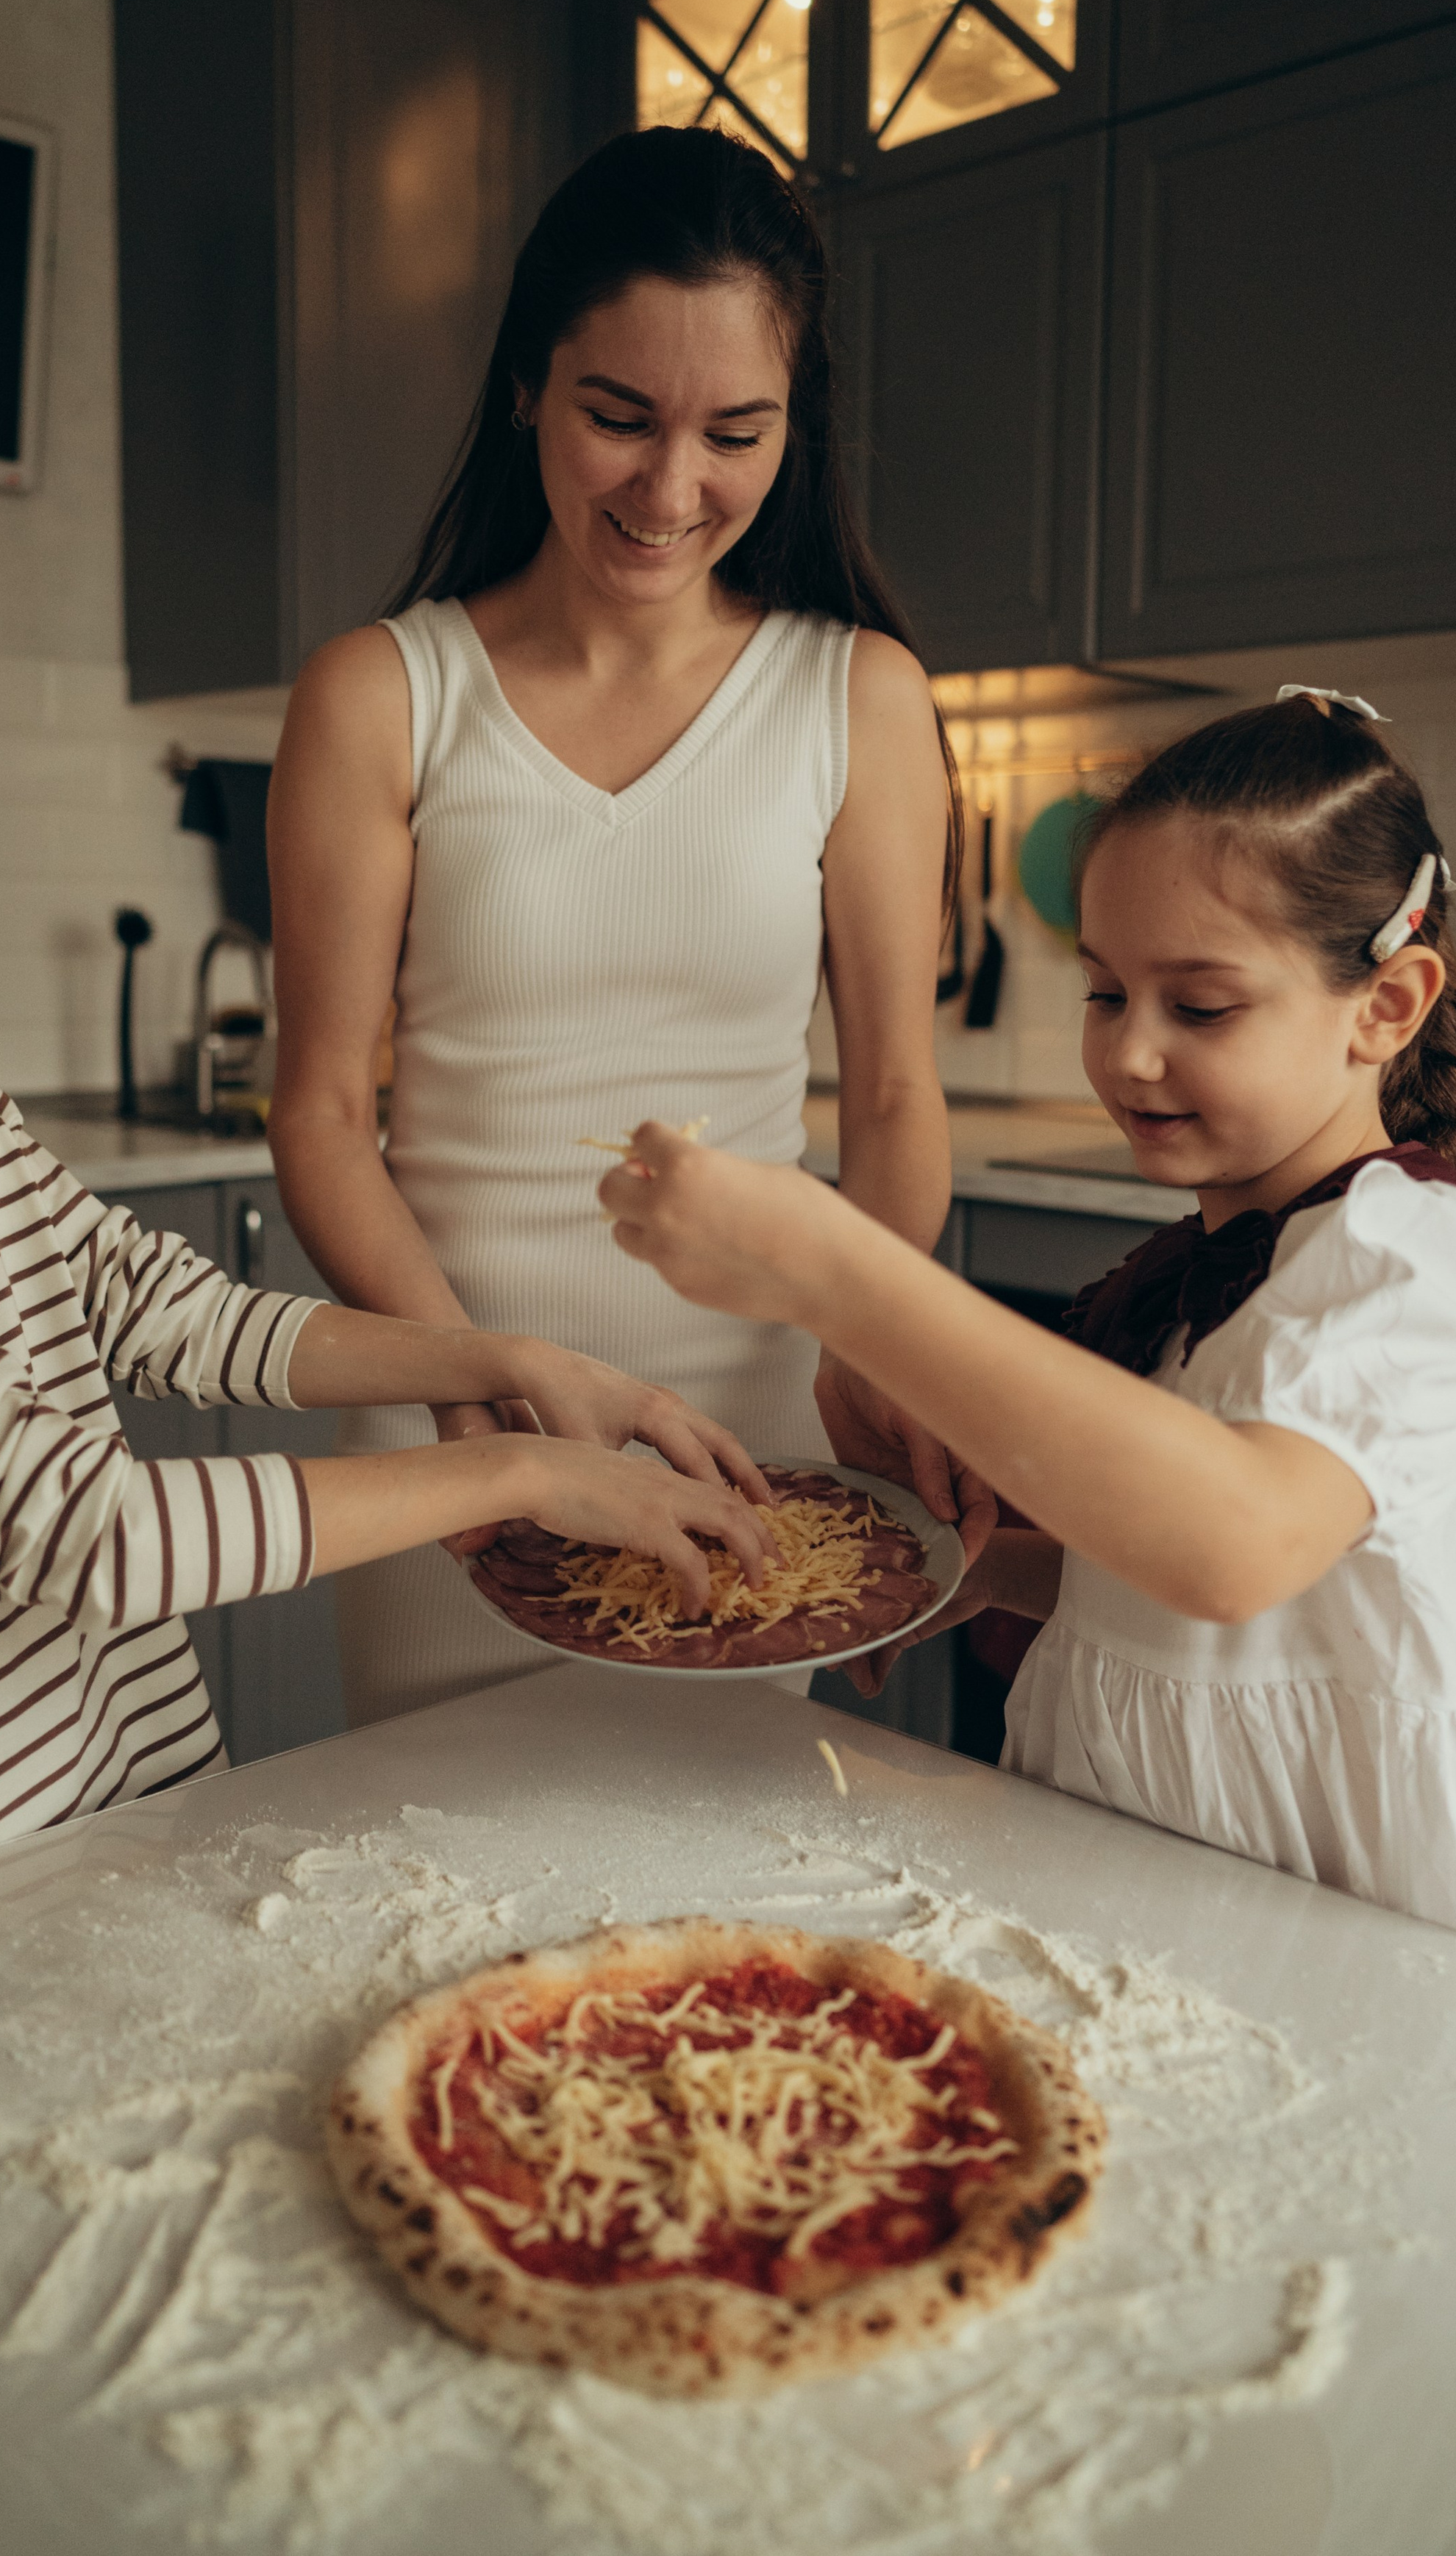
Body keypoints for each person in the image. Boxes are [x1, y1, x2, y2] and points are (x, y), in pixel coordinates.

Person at [0, 535, 771, 1941]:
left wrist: (493, 1353)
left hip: (103, 1823)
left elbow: (167, 1313)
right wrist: (518, 1471)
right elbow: (72, 1525)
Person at [597, 688, 1456, 1952]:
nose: (1130, 1056)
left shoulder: (1415, 1259)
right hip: (1146, 1893)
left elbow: (1232, 1548)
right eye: (1106, 994)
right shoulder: (1198, 1276)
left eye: (1198, 1007)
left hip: (1350, 1943)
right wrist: (945, 1574)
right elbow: (1182, 1602)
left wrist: (838, 1276)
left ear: (1386, 1005)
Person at [268, 125, 990, 1726]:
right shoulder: (381, 695)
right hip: (451, 1417)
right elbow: (319, 1113)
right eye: (617, 416)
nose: (673, 490)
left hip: (749, 1419)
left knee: (708, 1924)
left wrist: (878, 1342)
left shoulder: (852, 695)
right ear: (528, 381)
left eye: (735, 431)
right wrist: (488, 1396)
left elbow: (887, 1096)